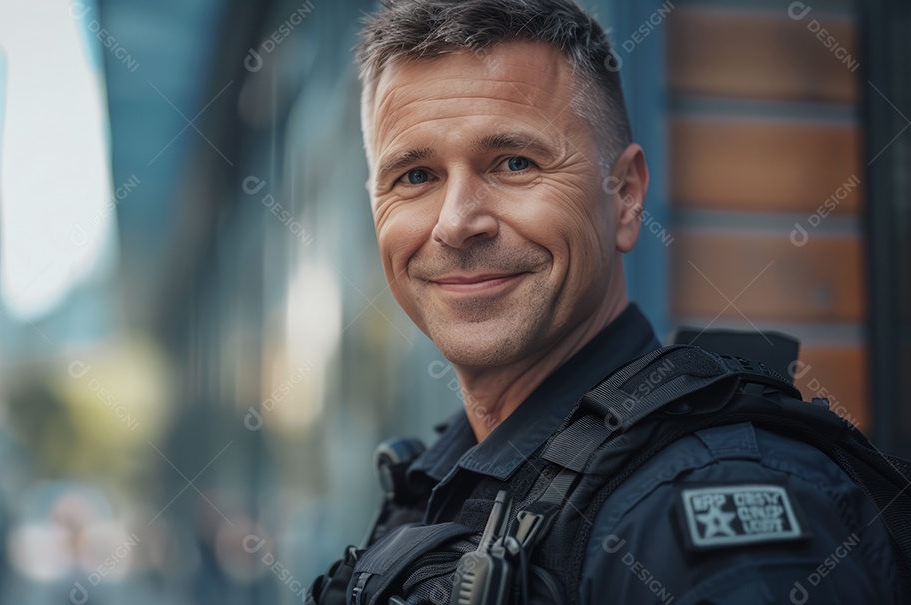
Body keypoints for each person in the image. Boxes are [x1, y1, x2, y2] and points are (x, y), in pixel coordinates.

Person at [309, 0, 901, 603]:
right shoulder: (443, 481)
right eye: (415, 176)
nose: (457, 222)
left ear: (625, 197)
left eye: (515, 163)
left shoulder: (699, 509)